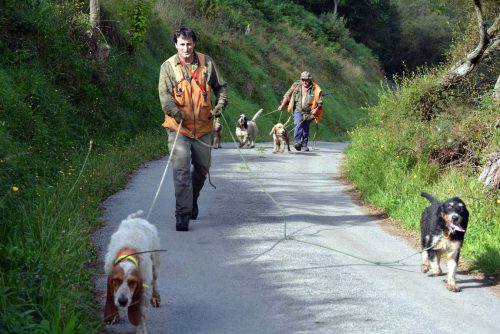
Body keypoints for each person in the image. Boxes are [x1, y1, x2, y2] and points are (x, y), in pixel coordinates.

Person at [158, 27, 228, 231]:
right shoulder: (168, 67)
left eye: (189, 44)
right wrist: (174, 111)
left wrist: (220, 104)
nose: (186, 48)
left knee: (202, 169)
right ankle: (182, 214)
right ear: (176, 45)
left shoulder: (207, 63)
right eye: (182, 44)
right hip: (178, 127)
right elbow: (165, 95)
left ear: (194, 44)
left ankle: (192, 198)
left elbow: (221, 87)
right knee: (181, 170)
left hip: (205, 127)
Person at [278, 71, 323, 151]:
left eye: (306, 80)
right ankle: (297, 143)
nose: (304, 82)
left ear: (310, 80)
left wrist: (316, 110)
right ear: (301, 79)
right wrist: (282, 105)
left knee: (305, 127)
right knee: (298, 124)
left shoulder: (315, 88)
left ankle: (304, 144)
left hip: (309, 112)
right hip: (297, 110)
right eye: (303, 80)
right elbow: (287, 95)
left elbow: (320, 103)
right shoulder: (296, 86)